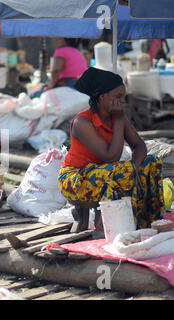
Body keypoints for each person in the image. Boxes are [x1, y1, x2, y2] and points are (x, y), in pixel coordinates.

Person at [58, 67, 164, 229]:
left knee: (151, 161)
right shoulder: (82, 123)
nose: (123, 101)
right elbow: (111, 157)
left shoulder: (116, 117)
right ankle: (107, 226)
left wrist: (134, 168)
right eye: (118, 96)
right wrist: (120, 119)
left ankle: (149, 221)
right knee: (119, 171)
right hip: (75, 178)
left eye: (124, 97)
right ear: (102, 97)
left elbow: (140, 145)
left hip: (104, 171)